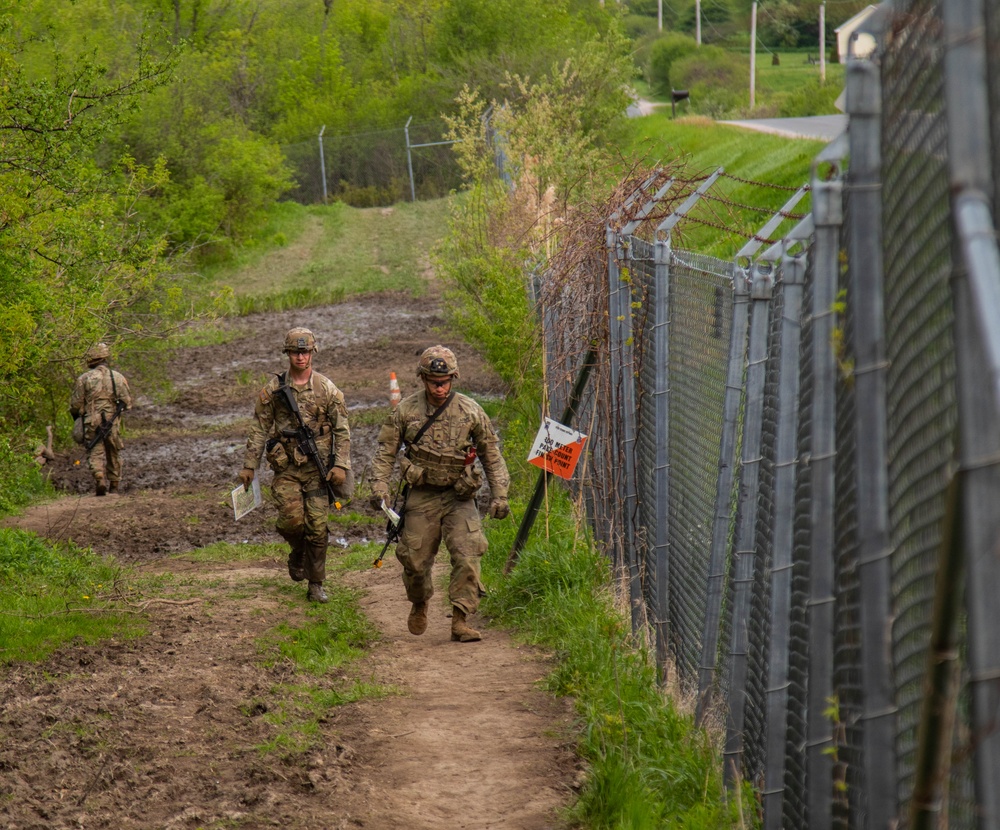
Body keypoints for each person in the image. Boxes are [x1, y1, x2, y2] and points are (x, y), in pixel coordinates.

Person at [369, 345, 510, 642]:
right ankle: (420, 601)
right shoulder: (405, 411)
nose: (440, 387)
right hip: (422, 495)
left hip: (460, 496)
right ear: (422, 379)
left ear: (453, 378)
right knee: (415, 561)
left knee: (468, 555)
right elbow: (386, 453)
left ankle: (460, 619)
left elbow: (491, 454)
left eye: (445, 381)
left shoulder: (471, 411)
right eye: (434, 381)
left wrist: (501, 494)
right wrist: (379, 488)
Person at [239, 328, 352, 604]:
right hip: (287, 468)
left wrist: (340, 465)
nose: (300, 357)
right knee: (291, 522)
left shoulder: (327, 389)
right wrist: (249, 465)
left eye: (305, 351)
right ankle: (297, 552)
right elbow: (259, 428)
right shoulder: (274, 390)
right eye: (295, 352)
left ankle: (316, 584)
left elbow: (343, 430)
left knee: (318, 527)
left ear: (312, 353)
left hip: (318, 469)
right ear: (287, 354)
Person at [70, 343, 132, 496]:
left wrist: (78, 415)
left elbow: (76, 405)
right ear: (105, 357)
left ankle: (100, 479)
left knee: (95, 451)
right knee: (113, 451)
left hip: (91, 419)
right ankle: (114, 486)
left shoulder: (84, 378)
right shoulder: (117, 377)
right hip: (112, 419)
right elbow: (127, 402)